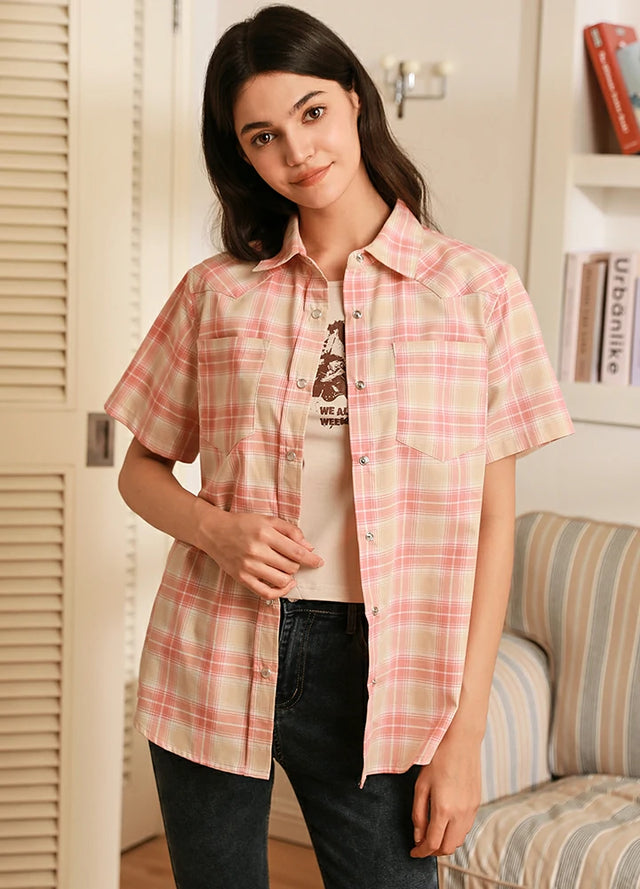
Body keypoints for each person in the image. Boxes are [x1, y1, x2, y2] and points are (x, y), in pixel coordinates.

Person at [105, 6, 573, 888]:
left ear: (357, 102)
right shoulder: (216, 294)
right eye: (264, 135)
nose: (298, 151)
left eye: (313, 112)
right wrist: (219, 531)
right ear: (243, 155)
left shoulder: (478, 292)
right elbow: (141, 472)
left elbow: (493, 522)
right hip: (213, 647)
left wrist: (464, 732)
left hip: (386, 668)